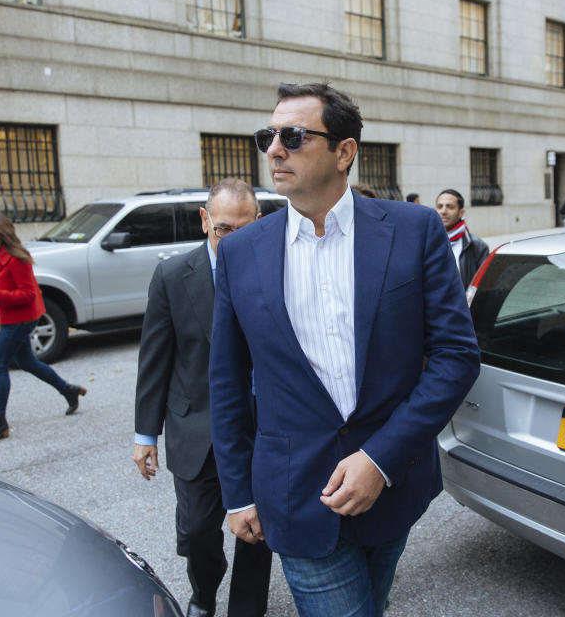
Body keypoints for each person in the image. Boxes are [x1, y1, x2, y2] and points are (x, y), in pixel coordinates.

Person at [209, 82, 480, 617]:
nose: (274, 149)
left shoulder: (414, 229)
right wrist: (238, 491)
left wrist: (379, 459)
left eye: (293, 135)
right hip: (293, 492)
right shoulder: (240, 252)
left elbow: (456, 355)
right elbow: (226, 379)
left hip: (394, 484)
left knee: (373, 603)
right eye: (269, 136)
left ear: (344, 151)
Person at [133, 179, 272, 617]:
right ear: (204, 220)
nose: (233, 241)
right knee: (197, 532)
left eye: (244, 230)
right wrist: (145, 435)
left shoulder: (276, 271)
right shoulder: (172, 276)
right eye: (224, 229)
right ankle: (204, 594)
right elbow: (155, 360)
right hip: (196, 427)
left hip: (259, 426)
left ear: (260, 223)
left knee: (257, 530)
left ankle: (247, 608)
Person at [0, 212, 86, 447]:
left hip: (22, 318)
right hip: (5, 317)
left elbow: (28, 295)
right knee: (27, 362)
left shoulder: (16, 258)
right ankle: (68, 390)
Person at [435, 189, 490, 288]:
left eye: (450, 207)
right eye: (440, 206)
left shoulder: (477, 246)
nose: (443, 211)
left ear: (461, 212)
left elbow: (484, 285)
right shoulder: (426, 242)